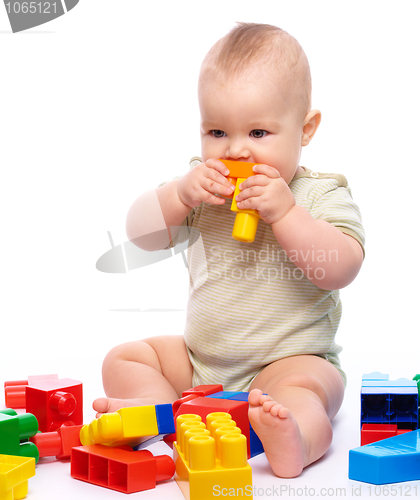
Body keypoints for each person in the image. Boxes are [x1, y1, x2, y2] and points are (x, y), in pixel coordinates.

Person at [93, 23, 365, 478]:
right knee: (125, 357)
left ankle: (293, 437)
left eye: (259, 133)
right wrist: (178, 196)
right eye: (217, 131)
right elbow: (141, 236)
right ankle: (158, 413)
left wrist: (287, 214)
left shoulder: (319, 195)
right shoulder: (202, 187)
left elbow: (341, 268)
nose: (236, 149)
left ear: (306, 129)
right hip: (201, 364)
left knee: (308, 391)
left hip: (287, 363)